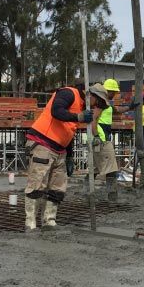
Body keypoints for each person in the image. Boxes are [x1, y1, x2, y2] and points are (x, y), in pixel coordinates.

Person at [23, 83, 104, 230]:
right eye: (97, 102)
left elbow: (69, 132)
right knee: (37, 185)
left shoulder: (81, 107)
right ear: (91, 95)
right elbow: (56, 111)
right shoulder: (69, 93)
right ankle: (30, 224)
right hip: (43, 143)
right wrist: (78, 117)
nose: (96, 106)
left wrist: (69, 156)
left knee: (57, 188)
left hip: (60, 149)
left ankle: (49, 221)